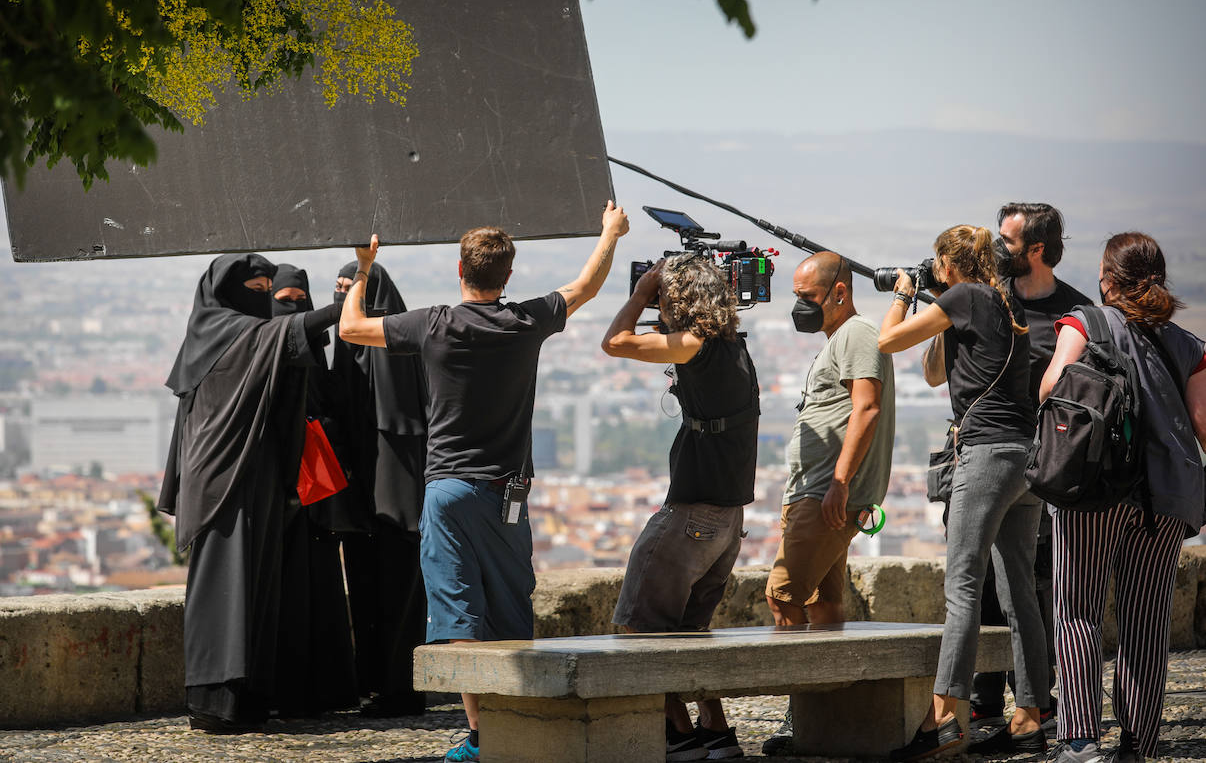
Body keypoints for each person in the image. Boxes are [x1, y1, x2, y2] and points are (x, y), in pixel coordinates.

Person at [338, 201, 629, 763]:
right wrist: (609, 233)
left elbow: (351, 328)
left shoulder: (435, 324)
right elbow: (586, 287)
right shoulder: (526, 321)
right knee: (511, 607)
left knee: (458, 612)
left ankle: (481, 733)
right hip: (509, 492)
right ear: (509, 276)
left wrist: (364, 268)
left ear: (459, 269)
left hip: (448, 488)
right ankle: (518, 724)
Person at [877, 225, 1049, 761]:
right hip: (1024, 460)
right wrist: (939, 310)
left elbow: (885, 341)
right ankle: (1029, 719)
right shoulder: (1000, 302)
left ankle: (944, 719)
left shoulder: (965, 297)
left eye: (935, 264)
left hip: (986, 454)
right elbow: (935, 374)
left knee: (963, 588)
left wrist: (906, 295)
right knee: (1020, 591)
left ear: (949, 265)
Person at [157, 253, 343, 732]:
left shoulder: (233, 336)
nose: (261, 300)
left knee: (258, 589)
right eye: (256, 290)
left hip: (255, 477)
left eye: (267, 289)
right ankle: (213, 701)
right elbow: (286, 331)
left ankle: (249, 698)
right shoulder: (227, 332)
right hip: (224, 485)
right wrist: (352, 292)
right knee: (226, 588)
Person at [1038, 232, 1206, 763]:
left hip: (1094, 490)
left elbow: (1052, 388)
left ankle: (1081, 740)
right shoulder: (1188, 345)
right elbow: (1202, 423)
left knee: (1077, 609)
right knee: (1146, 619)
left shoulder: (1084, 322)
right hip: (1167, 497)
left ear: (1107, 278)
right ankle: (1138, 745)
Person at [601, 254, 761, 762]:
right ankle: (716, 732)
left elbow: (615, 342)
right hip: (730, 517)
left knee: (640, 627)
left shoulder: (695, 345)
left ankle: (678, 734)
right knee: (691, 632)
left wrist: (642, 292)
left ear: (681, 302)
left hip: (694, 511)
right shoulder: (735, 346)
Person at [965, 204, 1091, 746]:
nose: (998, 248)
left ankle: (1038, 704)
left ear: (1036, 249)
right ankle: (983, 701)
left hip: (1044, 468)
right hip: (983, 458)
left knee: (1031, 587)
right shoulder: (990, 300)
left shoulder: (1076, 311)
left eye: (1007, 240)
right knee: (987, 585)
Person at [762, 251, 895, 757]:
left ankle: (805, 718)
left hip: (825, 495)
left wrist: (839, 481)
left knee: (783, 596)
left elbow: (867, 404)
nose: (800, 306)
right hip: (822, 492)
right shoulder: (841, 338)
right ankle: (832, 715)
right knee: (825, 602)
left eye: (807, 297)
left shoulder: (856, 333)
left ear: (839, 291)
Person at [329, 260, 431, 717]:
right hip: (364, 493)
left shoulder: (399, 344)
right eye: (339, 289)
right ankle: (373, 683)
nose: (343, 298)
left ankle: (399, 690)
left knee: (399, 593)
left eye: (352, 289)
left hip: (400, 491)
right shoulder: (347, 353)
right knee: (368, 589)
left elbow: (402, 417)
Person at [267, 264, 359, 718]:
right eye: (283, 301)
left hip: (316, 501)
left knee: (321, 591)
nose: (293, 309)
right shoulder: (265, 353)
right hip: (280, 500)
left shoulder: (317, 359)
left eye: (299, 300)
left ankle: (325, 689)